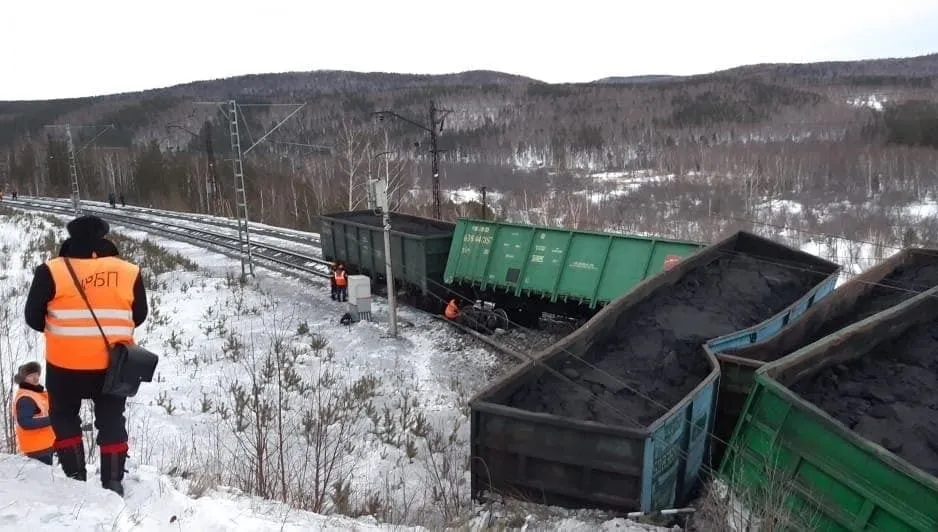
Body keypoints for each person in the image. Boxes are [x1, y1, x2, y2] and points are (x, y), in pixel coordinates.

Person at [24, 214, 148, 496]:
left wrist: (64, 327)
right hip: (113, 363)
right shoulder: (129, 271)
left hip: (65, 363)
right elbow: (139, 315)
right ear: (104, 239)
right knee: (112, 419)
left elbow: (33, 318)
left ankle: (75, 477)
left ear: (71, 240)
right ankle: (113, 482)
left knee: (64, 415)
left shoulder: (51, 271)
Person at [12, 362, 56, 465]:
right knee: (43, 480)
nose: (35, 378)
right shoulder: (25, 397)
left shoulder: (36, 394)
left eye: (37, 374)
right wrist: (52, 419)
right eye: (31, 376)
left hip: (44, 446)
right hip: (37, 449)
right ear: (24, 379)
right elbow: (25, 422)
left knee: (45, 479)